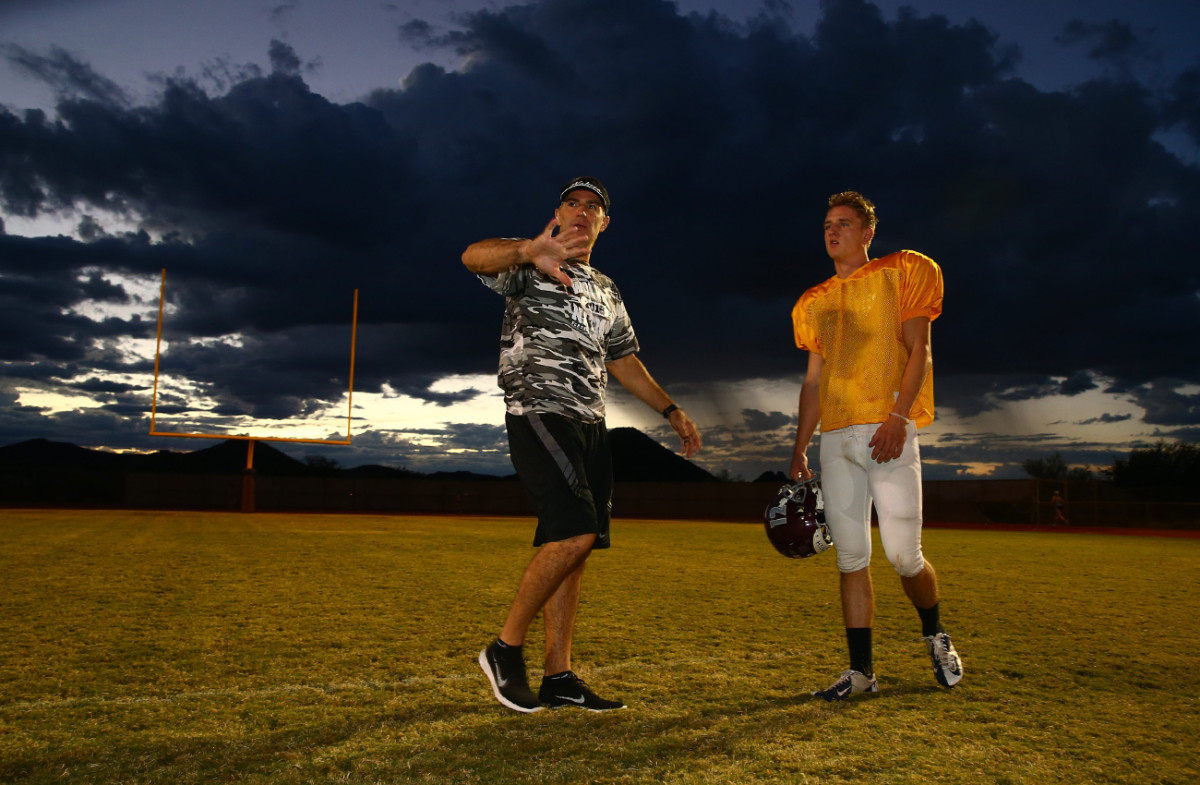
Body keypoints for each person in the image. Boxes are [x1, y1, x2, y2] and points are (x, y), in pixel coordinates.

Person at [463, 176, 702, 713]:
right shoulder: (530, 261)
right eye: (572, 202)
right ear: (558, 213)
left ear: (603, 223)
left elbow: (624, 361)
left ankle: (560, 676)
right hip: (540, 408)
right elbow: (472, 257)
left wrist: (670, 409)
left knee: (576, 547)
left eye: (592, 206)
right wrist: (527, 250)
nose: (581, 210)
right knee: (575, 531)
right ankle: (504, 650)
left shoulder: (607, 289)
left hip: (590, 422)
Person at [788, 190, 963, 700]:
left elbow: (920, 349)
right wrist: (800, 446)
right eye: (827, 223)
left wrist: (898, 417)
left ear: (867, 233)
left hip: (887, 430)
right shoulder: (815, 300)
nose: (832, 230)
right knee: (850, 559)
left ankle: (935, 634)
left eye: (843, 223)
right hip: (835, 436)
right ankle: (861, 673)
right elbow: (812, 382)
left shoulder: (902, 270)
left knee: (904, 556)